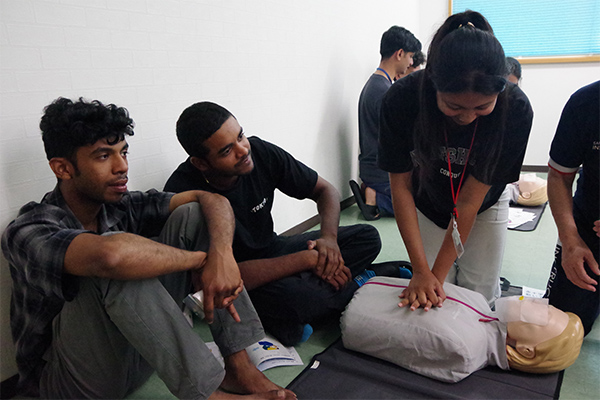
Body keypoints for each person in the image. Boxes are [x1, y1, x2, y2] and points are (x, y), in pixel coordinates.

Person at [1, 97, 296, 400]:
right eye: (103, 156)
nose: (122, 167)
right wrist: (199, 261)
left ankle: (239, 367)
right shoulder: (28, 228)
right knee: (115, 260)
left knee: (194, 214)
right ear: (63, 168)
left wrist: (222, 256)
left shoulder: (122, 205)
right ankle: (209, 397)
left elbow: (213, 200)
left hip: (140, 357)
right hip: (70, 382)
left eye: (123, 152)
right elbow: (110, 257)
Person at [165, 101, 410, 346]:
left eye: (240, 136)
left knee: (367, 237)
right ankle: (362, 278)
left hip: (274, 249)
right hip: (242, 279)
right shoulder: (183, 195)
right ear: (201, 163)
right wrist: (306, 260)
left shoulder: (260, 152)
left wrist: (329, 240)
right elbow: (213, 281)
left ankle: (312, 304)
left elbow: (325, 191)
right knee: (300, 298)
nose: (243, 150)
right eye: (227, 151)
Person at [378, 11, 534, 310]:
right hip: (426, 198)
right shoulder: (402, 99)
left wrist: (433, 279)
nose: (467, 117)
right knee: (436, 288)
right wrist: (422, 273)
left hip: (483, 203)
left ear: (499, 91)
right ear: (433, 85)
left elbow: (469, 202)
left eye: (482, 107)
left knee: (479, 291)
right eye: (454, 106)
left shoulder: (515, 109)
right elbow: (400, 187)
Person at [341, 277, 584, 383]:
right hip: (366, 285)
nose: (535, 303)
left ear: (526, 350)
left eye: (543, 315)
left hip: (345, 307)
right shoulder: (481, 305)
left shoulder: (464, 350)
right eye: (546, 306)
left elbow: (390, 334)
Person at [544, 80, 600, 336]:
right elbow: (559, 177)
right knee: (561, 328)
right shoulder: (585, 103)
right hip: (588, 223)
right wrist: (570, 241)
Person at [351, 26, 421, 220]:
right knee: (423, 204)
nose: (411, 62)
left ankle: (373, 193)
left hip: (371, 169)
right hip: (381, 173)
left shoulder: (375, 84)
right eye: (410, 56)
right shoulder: (385, 92)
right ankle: (376, 198)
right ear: (399, 54)